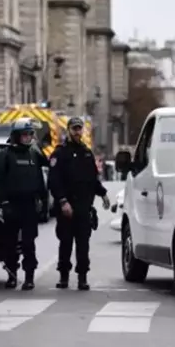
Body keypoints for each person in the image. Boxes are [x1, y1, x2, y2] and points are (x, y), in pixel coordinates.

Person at [49, 117, 110, 290]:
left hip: (83, 207)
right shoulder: (60, 153)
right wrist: (62, 201)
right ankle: (64, 276)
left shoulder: (86, 153)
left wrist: (103, 194)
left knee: (83, 244)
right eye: (74, 129)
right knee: (66, 243)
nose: (77, 132)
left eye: (79, 129)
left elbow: (92, 179)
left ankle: (82, 277)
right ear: (68, 130)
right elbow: (54, 181)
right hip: (67, 206)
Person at [0, 117, 47, 290]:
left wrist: (43, 202)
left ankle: (29, 277)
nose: (28, 137)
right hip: (11, 205)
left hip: (29, 205)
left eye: (30, 134)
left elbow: (40, 180)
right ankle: (12, 275)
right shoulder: (4, 155)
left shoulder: (34, 154)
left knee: (29, 244)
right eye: (25, 134)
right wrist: (4, 203)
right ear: (16, 136)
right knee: (10, 243)